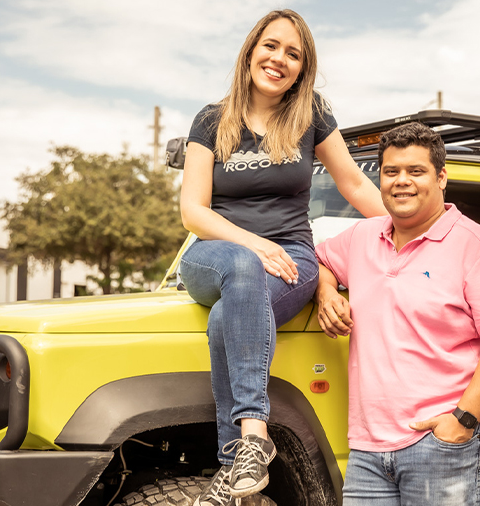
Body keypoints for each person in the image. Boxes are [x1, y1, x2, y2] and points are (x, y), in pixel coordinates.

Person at [178, 9, 386, 506]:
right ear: (251, 50)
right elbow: (192, 210)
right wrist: (253, 244)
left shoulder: (310, 114)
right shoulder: (211, 119)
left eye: (293, 54)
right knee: (242, 271)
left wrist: (415, 230)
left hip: (293, 257)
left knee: (231, 314)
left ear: (302, 68)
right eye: (271, 47)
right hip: (214, 254)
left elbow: (354, 182)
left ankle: (237, 465)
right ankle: (254, 435)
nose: (279, 60)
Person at [315, 122, 480, 505]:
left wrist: (462, 421)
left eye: (416, 171)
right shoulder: (364, 236)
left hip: (444, 443)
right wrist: (326, 291)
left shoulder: (475, 245)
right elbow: (319, 260)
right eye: (391, 171)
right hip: (368, 448)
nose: (402, 182)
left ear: (442, 177)